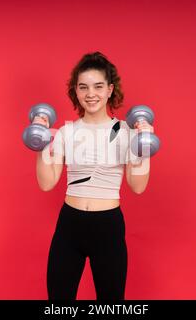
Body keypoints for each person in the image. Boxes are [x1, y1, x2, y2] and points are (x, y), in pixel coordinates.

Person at [33, 52, 154, 300]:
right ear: (75, 91)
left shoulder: (128, 134)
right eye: (83, 87)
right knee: (59, 304)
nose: (91, 94)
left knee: (110, 304)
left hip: (107, 227)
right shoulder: (65, 132)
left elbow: (138, 186)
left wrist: (144, 147)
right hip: (69, 225)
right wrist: (41, 139)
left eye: (98, 87)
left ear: (110, 90)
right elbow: (47, 183)